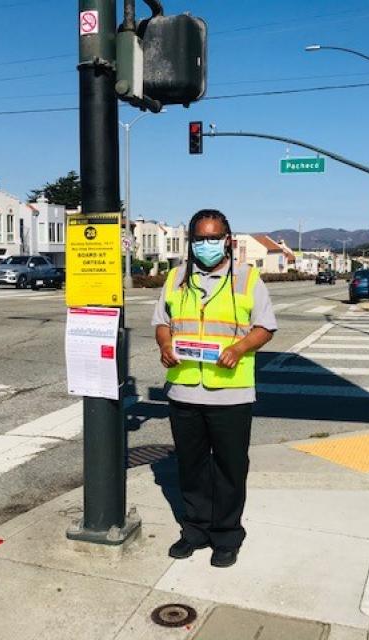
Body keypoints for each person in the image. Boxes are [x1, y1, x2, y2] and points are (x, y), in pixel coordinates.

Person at [151, 209, 277, 568]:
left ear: (228, 240)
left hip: (230, 392)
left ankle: (226, 535)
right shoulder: (175, 277)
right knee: (190, 466)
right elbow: (162, 322)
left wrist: (238, 348)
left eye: (213, 237)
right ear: (191, 241)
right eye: (200, 238)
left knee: (229, 467)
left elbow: (265, 327)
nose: (207, 245)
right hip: (184, 389)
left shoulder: (248, 279)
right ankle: (195, 529)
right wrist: (164, 345)